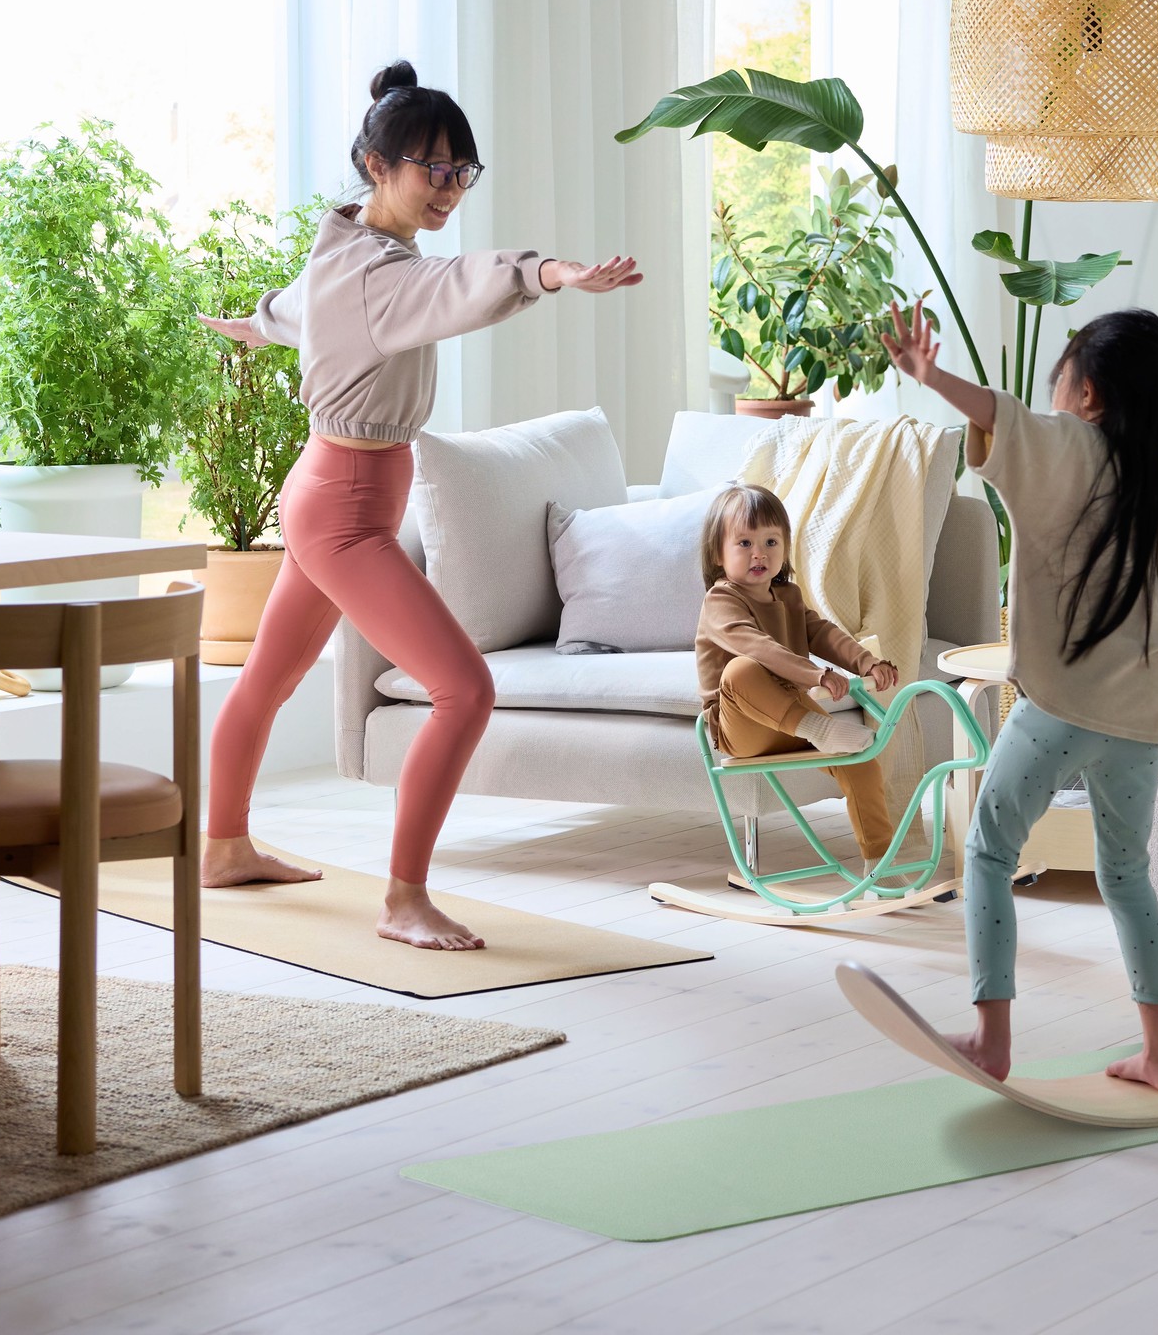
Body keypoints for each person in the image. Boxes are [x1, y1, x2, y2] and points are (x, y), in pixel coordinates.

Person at [197, 60, 640, 950]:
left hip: (328, 491)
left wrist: (259, 322)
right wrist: (549, 272)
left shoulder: (346, 253)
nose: (447, 188)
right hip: (347, 512)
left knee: (269, 679)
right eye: (430, 169)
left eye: (460, 172)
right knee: (465, 689)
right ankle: (404, 900)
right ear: (376, 165)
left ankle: (222, 848)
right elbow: (462, 285)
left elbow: (296, 308)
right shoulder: (385, 277)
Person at [882, 301, 1158, 1090]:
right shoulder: (1157, 494)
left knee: (991, 852)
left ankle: (992, 1039)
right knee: (1127, 879)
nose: (1053, 394)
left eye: (1062, 376)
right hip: (1139, 727)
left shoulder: (1070, 446)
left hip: (1057, 713)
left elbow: (1005, 417)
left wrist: (933, 377)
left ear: (1089, 394)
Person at [694, 483, 903, 876]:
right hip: (744, 727)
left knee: (861, 762)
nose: (760, 553)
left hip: (793, 714)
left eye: (771, 541)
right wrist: (815, 674)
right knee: (741, 668)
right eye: (744, 543)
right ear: (717, 555)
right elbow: (755, 646)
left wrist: (866, 663)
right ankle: (818, 729)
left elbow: (822, 633)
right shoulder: (721, 600)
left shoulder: (787, 596)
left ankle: (880, 864)